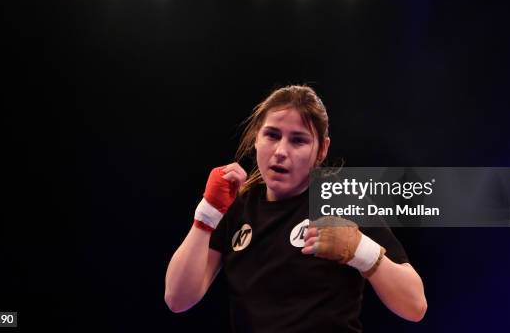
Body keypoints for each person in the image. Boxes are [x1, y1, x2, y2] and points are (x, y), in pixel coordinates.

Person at [165, 85, 427, 332]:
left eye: (298, 141)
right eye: (272, 135)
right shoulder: (238, 206)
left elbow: (415, 306)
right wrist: (207, 213)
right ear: (257, 137)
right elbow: (177, 299)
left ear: (321, 150)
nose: (281, 151)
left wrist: (361, 250)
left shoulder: (341, 201)